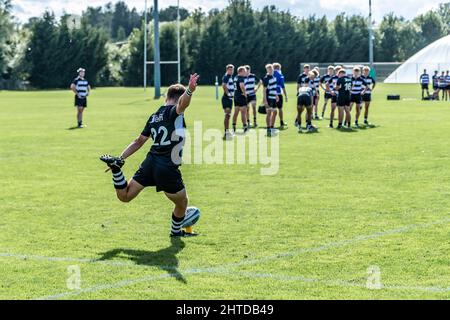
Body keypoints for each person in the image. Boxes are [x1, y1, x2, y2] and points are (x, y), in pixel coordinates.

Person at [100, 74, 200, 238]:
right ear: (176, 98)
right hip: (167, 166)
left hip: (150, 162)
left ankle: (117, 171)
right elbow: (182, 104)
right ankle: (176, 233)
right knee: (183, 202)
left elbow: (138, 141)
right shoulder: (173, 112)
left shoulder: (154, 116)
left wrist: (120, 158)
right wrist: (189, 91)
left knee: (125, 196)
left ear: (166, 97)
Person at [262, 64, 279, 137]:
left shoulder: (274, 77)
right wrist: (265, 100)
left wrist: (276, 95)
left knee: (275, 112)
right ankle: (268, 128)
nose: (271, 70)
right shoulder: (266, 78)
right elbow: (264, 90)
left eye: (271, 69)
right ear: (267, 70)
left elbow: (274, 88)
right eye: (269, 69)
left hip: (273, 97)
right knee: (269, 113)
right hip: (268, 98)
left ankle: (272, 127)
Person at [232, 66, 249, 133]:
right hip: (241, 97)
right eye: (244, 71)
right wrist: (245, 94)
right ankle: (245, 127)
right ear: (240, 71)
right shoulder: (241, 78)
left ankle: (234, 126)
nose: (245, 72)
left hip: (236, 96)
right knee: (243, 112)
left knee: (236, 112)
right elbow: (242, 86)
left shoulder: (235, 77)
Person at [273, 63, 288, 128]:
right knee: (280, 108)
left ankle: (271, 124)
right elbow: (282, 86)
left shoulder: (270, 74)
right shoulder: (280, 75)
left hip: (271, 94)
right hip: (278, 94)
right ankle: (281, 122)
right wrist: (285, 95)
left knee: (272, 109)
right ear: (279, 68)